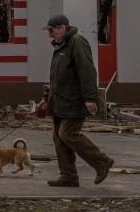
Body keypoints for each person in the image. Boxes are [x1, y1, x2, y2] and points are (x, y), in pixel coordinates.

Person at [44, 14, 114, 187]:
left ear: (62, 28)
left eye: (52, 31)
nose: (50, 35)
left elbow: (87, 71)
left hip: (74, 101)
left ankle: (101, 161)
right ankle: (68, 176)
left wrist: (90, 97)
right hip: (60, 101)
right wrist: (46, 98)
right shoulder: (61, 46)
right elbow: (58, 78)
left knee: (67, 133)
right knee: (58, 137)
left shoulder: (77, 42)